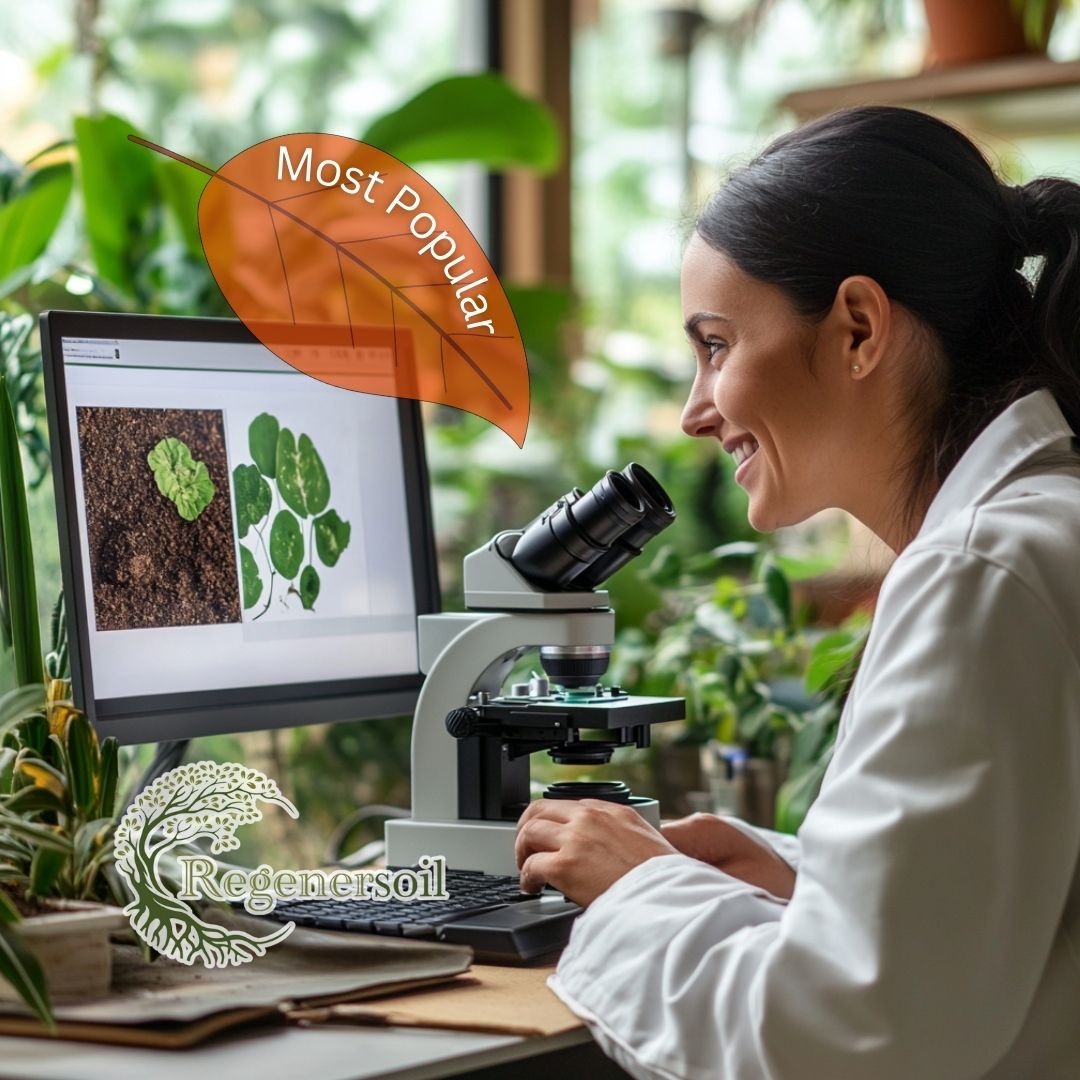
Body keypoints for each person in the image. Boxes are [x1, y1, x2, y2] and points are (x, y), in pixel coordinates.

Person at [514, 105, 1080, 1079]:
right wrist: (800, 876)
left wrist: (640, 885)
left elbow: (845, 1039)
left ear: (858, 327)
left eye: (717, 345)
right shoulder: (1042, 529)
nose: (696, 411)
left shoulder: (977, 573)